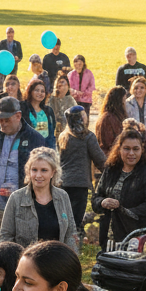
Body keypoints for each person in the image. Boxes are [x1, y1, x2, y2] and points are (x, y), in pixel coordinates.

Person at [0, 97, 46, 247]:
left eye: (6, 120)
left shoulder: (35, 138)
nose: (3, 124)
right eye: (0, 120)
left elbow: (44, 172)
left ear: (18, 116)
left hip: (22, 209)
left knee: (20, 253)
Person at [92, 120, 146, 248]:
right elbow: (96, 197)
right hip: (110, 239)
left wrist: (123, 211)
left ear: (142, 150)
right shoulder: (111, 170)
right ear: (119, 149)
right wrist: (102, 202)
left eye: (135, 149)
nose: (131, 153)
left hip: (139, 238)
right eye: (126, 149)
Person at [0, 147, 79, 251]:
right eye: (34, 170)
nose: (38, 175)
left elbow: (71, 233)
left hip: (57, 262)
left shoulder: (62, 196)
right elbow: (5, 237)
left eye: (44, 170)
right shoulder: (16, 198)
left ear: (53, 173)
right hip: (26, 263)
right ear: (29, 171)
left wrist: (71, 262)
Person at [57, 105, 105, 247]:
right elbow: (100, 159)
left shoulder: (63, 136)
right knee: (76, 219)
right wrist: (112, 172)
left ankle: (61, 243)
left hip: (63, 182)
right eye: (83, 115)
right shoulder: (87, 136)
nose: (86, 117)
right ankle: (72, 247)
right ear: (78, 118)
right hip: (79, 184)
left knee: (64, 216)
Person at [21, 77, 55, 147]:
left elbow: (52, 130)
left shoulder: (48, 110)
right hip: (29, 147)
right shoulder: (23, 108)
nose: (40, 93)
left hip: (46, 148)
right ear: (30, 91)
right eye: (37, 90)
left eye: (42, 91)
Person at [95, 85, 127, 155]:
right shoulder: (108, 118)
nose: (125, 103)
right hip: (110, 156)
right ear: (119, 101)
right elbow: (108, 143)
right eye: (124, 100)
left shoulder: (116, 116)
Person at [0, 26, 23, 92]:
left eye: (11, 34)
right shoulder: (2, 43)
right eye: (8, 33)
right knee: (1, 84)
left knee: (12, 83)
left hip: (13, 68)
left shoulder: (17, 44)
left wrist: (18, 58)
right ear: (6, 34)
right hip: (3, 68)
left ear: (13, 34)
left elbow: (20, 55)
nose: (10, 35)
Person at [67, 54, 95, 119]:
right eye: (76, 64)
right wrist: (76, 93)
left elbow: (92, 86)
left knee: (85, 119)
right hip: (74, 100)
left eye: (80, 64)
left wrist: (84, 93)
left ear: (83, 64)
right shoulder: (70, 74)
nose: (78, 66)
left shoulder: (89, 73)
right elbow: (69, 87)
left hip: (86, 100)